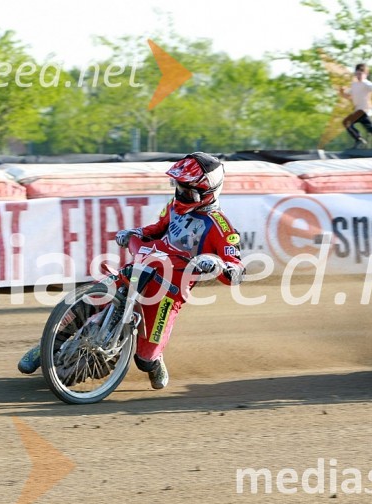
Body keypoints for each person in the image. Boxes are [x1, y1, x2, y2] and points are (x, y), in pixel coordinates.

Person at [17, 152, 245, 390]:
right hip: (143, 264)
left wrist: (219, 264)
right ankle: (46, 346)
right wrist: (134, 233)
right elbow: (156, 229)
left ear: (207, 193)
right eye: (178, 187)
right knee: (92, 298)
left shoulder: (220, 226)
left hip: (170, 288)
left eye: (187, 191)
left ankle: (154, 361)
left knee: (144, 359)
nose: (180, 194)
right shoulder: (174, 207)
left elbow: (237, 267)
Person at [341, 63, 372, 149]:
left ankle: (359, 140)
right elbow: (349, 97)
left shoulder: (367, 84)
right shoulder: (354, 85)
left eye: (361, 74)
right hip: (358, 111)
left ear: (366, 74)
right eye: (357, 74)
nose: (359, 76)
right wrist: (342, 92)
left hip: (365, 111)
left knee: (347, 122)